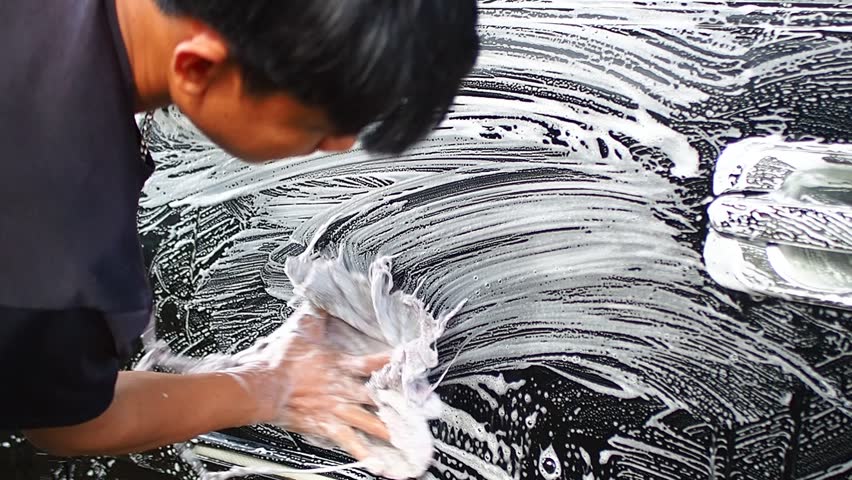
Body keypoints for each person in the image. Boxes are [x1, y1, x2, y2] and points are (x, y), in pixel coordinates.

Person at [0, 0, 479, 462]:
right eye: (315, 126)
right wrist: (270, 386)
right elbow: (73, 424)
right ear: (198, 70)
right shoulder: (61, 253)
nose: (340, 146)